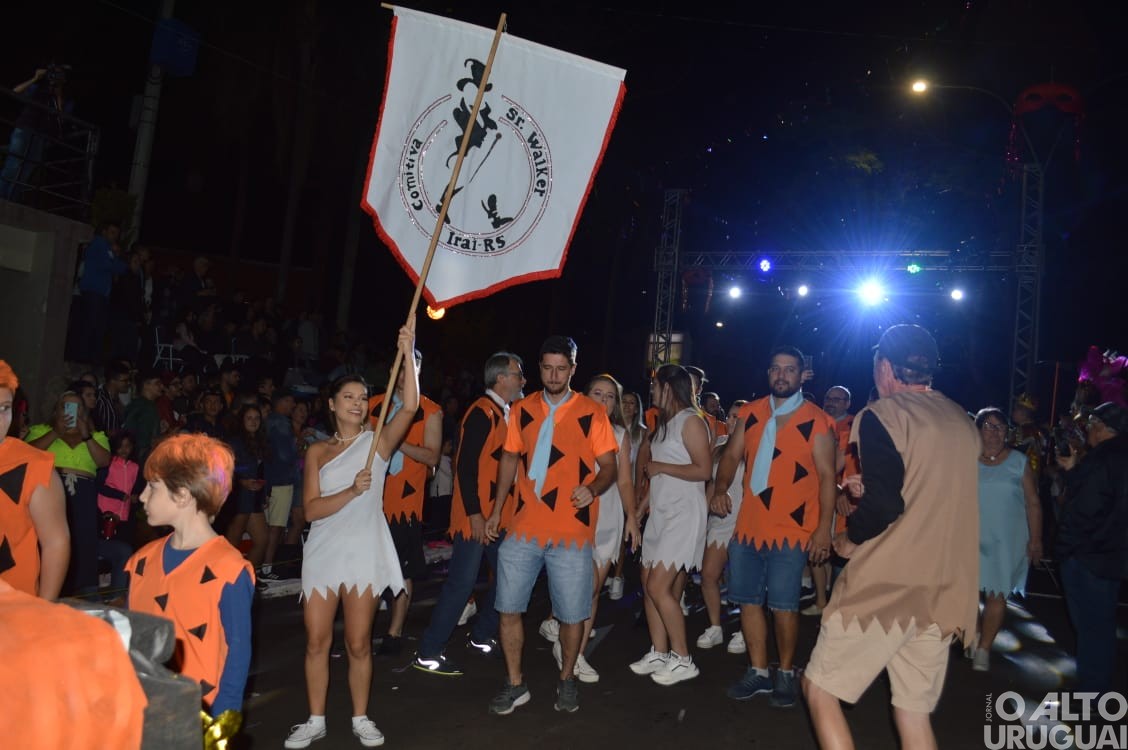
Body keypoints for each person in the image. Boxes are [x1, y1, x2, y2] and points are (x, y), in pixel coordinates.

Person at [803, 324, 980, 749]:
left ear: (884, 366)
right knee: (913, 711)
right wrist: (876, 488)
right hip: (944, 589)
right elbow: (926, 490)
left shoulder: (882, 414)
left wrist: (848, 539)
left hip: (887, 586)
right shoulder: (960, 419)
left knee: (820, 690)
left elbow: (886, 508)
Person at [285, 321, 418, 749]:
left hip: (363, 550)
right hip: (324, 550)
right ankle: (315, 719)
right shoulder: (317, 451)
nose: (358, 404)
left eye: (363, 398)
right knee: (317, 641)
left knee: (359, 642)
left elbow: (411, 406)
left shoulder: (377, 443)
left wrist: (409, 353)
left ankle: (361, 717)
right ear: (332, 404)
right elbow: (311, 509)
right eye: (349, 398)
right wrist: (350, 490)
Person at [483, 335, 618, 716]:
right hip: (524, 527)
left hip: (572, 531)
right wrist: (496, 511)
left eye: (562, 368)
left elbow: (610, 467)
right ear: (538, 368)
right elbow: (509, 460)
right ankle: (515, 684)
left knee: (573, 615)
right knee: (508, 608)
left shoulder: (593, 412)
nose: (554, 374)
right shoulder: (521, 409)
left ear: (574, 368)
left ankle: (567, 678)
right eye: (547, 367)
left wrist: (592, 489)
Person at [711, 346, 837, 709]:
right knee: (748, 603)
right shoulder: (749, 414)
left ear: (801, 375)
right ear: (768, 374)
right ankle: (758, 670)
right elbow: (732, 456)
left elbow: (828, 478)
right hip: (749, 528)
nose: (782, 375)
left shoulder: (817, 420)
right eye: (776, 369)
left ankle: (784, 672)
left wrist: (823, 530)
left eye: (790, 369)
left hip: (794, 531)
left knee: (784, 606)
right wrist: (720, 489)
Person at [125, 434, 254, 718]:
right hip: (144, 711)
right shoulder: (140, 562)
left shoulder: (228, 570)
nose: (143, 495)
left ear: (182, 495)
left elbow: (239, 651)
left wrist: (222, 720)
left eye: (152, 486)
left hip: (200, 714)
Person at [414, 352, 525, 676]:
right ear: (501, 378)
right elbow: (465, 467)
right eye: (518, 374)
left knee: (510, 579)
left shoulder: (505, 413)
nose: (522, 380)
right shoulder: (481, 413)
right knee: (461, 585)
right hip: (477, 517)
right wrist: (475, 514)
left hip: (496, 517)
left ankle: (480, 634)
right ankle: (429, 651)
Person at [542, 374, 641, 683]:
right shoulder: (567, 423)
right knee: (581, 589)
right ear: (584, 395)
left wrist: (633, 519)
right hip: (575, 513)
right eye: (597, 393)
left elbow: (625, 480)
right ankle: (564, 632)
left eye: (610, 396)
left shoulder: (620, 434)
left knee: (594, 590)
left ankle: (577, 652)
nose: (603, 400)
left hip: (609, 515)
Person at [630, 364, 712, 685]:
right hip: (661, 512)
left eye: (655, 386)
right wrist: (639, 510)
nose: (651, 391)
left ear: (668, 387)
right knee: (647, 580)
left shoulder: (691, 421)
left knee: (658, 586)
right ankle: (659, 652)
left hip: (684, 514)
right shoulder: (665, 424)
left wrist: (660, 465)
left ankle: (683, 658)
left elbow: (704, 471)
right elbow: (658, 475)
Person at [366, 347, 442, 656]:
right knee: (368, 569)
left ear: (418, 373)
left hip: (406, 504)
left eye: (411, 369)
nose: (404, 376)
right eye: (400, 369)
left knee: (402, 571)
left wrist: (396, 440)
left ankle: (394, 632)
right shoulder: (373, 407)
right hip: (371, 499)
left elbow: (432, 456)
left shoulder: (431, 411)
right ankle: (363, 630)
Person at [1054, 400, 1128, 695]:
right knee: (1100, 626)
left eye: (1089, 424)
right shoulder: (1119, 457)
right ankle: (1093, 688)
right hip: (1112, 556)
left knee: (1092, 628)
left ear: (1100, 426)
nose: (1086, 430)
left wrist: (1063, 549)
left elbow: (1085, 510)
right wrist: (1074, 472)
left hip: (1088, 557)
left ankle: (1093, 694)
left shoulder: (1101, 459)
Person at [972, 407, 1042, 672]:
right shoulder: (966, 460)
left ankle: (984, 649)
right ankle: (975, 634)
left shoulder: (1018, 461)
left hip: (1006, 540)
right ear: (978, 430)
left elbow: (1033, 503)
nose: (995, 432)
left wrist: (1036, 540)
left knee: (996, 593)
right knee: (967, 593)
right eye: (989, 426)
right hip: (970, 535)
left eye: (1000, 427)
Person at [28, 389, 112, 596]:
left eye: (76, 407)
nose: (70, 411)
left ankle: (82, 596)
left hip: (83, 495)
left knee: (82, 544)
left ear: (83, 411)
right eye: (65, 406)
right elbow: (27, 453)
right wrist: (56, 432)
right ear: (56, 410)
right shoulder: (41, 431)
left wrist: (86, 436)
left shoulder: (97, 436)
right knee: (48, 541)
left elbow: (104, 461)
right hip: (49, 493)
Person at [0, 361, 68, 599]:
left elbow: (56, 543)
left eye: (4, 408)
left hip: (13, 607)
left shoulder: (32, 466)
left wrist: (43, 611)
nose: (0, 420)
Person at [697, 400, 747, 651]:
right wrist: (701, 519)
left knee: (741, 582)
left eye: (739, 417)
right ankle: (715, 627)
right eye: (731, 416)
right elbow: (709, 484)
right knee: (708, 575)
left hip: (744, 519)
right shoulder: (717, 445)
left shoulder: (756, 447)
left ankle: (744, 631)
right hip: (719, 519)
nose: (733, 421)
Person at [804, 385, 854, 616]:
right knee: (818, 545)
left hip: (840, 496)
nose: (831, 402)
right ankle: (822, 598)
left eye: (837, 399)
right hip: (818, 492)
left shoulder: (850, 426)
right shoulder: (820, 422)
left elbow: (835, 466)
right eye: (828, 397)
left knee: (831, 547)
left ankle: (830, 602)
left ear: (847, 403)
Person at [606, 390, 648, 600]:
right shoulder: (612, 429)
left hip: (629, 488)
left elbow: (642, 466)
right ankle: (607, 569)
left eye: (633, 403)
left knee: (623, 533)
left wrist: (639, 492)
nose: (629, 406)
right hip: (610, 486)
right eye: (625, 402)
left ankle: (617, 575)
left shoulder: (642, 432)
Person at [95, 430, 143, 599]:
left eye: (127, 446)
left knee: (124, 551)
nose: (124, 450)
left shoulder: (135, 467)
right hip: (105, 513)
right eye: (121, 446)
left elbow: (135, 489)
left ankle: (116, 593)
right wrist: (119, 495)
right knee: (105, 551)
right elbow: (99, 486)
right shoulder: (109, 463)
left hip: (124, 515)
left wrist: (135, 497)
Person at [223, 404, 270, 572]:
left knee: (263, 539)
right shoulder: (234, 442)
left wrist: (264, 492)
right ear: (241, 420)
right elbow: (225, 467)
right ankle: (225, 580)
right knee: (232, 543)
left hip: (254, 496)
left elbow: (263, 470)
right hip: (239, 497)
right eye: (249, 418)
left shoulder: (260, 441)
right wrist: (242, 480)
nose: (253, 421)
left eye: (257, 418)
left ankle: (247, 579)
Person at [76, 222, 128, 365]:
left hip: (101, 294)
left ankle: (91, 357)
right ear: (104, 232)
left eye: (116, 233)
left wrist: (115, 258)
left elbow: (121, 268)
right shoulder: (99, 245)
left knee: (97, 326)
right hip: (93, 291)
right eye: (112, 232)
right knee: (91, 325)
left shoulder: (108, 248)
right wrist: (114, 258)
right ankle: (84, 357)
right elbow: (108, 265)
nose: (114, 236)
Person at [262, 391, 299, 581]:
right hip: (282, 480)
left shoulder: (267, 420)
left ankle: (265, 566)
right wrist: (298, 452)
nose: (293, 406)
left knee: (269, 526)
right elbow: (286, 455)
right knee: (276, 527)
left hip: (268, 480)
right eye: (290, 401)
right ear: (282, 401)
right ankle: (268, 568)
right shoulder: (282, 423)